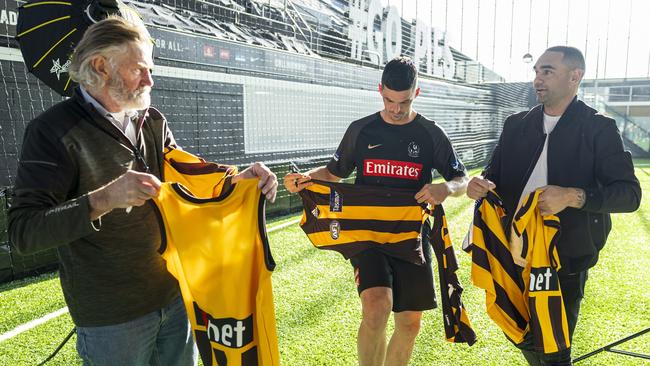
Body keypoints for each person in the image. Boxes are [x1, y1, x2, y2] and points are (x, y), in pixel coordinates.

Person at [8, 17, 278, 366]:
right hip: (112, 317)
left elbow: (185, 173)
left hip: (177, 293)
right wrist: (104, 199)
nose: (150, 80)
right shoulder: (50, 132)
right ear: (101, 66)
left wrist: (237, 180)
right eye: (140, 70)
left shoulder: (150, 119)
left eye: (150, 69)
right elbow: (23, 232)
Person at [284, 56, 468, 366]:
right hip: (367, 233)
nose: (396, 109)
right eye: (389, 100)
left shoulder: (430, 133)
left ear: (417, 93)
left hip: (411, 234)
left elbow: (461, 179)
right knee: (376, 306)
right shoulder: (362, 130)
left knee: (409, 323)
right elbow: (333, 173)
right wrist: (304, 180)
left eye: (404, 102)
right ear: (379, 90)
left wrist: (446, 189)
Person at [466, 46, 641, 365]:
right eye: (536, 71)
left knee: (553, 348)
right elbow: (492, 175)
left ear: (575, 77)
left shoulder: (598, 128)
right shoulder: (516, 124)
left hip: (563, 261)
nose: (537, 79)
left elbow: (629, 195)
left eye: (547, 71)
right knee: (519, 331)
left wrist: (573, 196)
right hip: (512, 252)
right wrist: (481, 185)